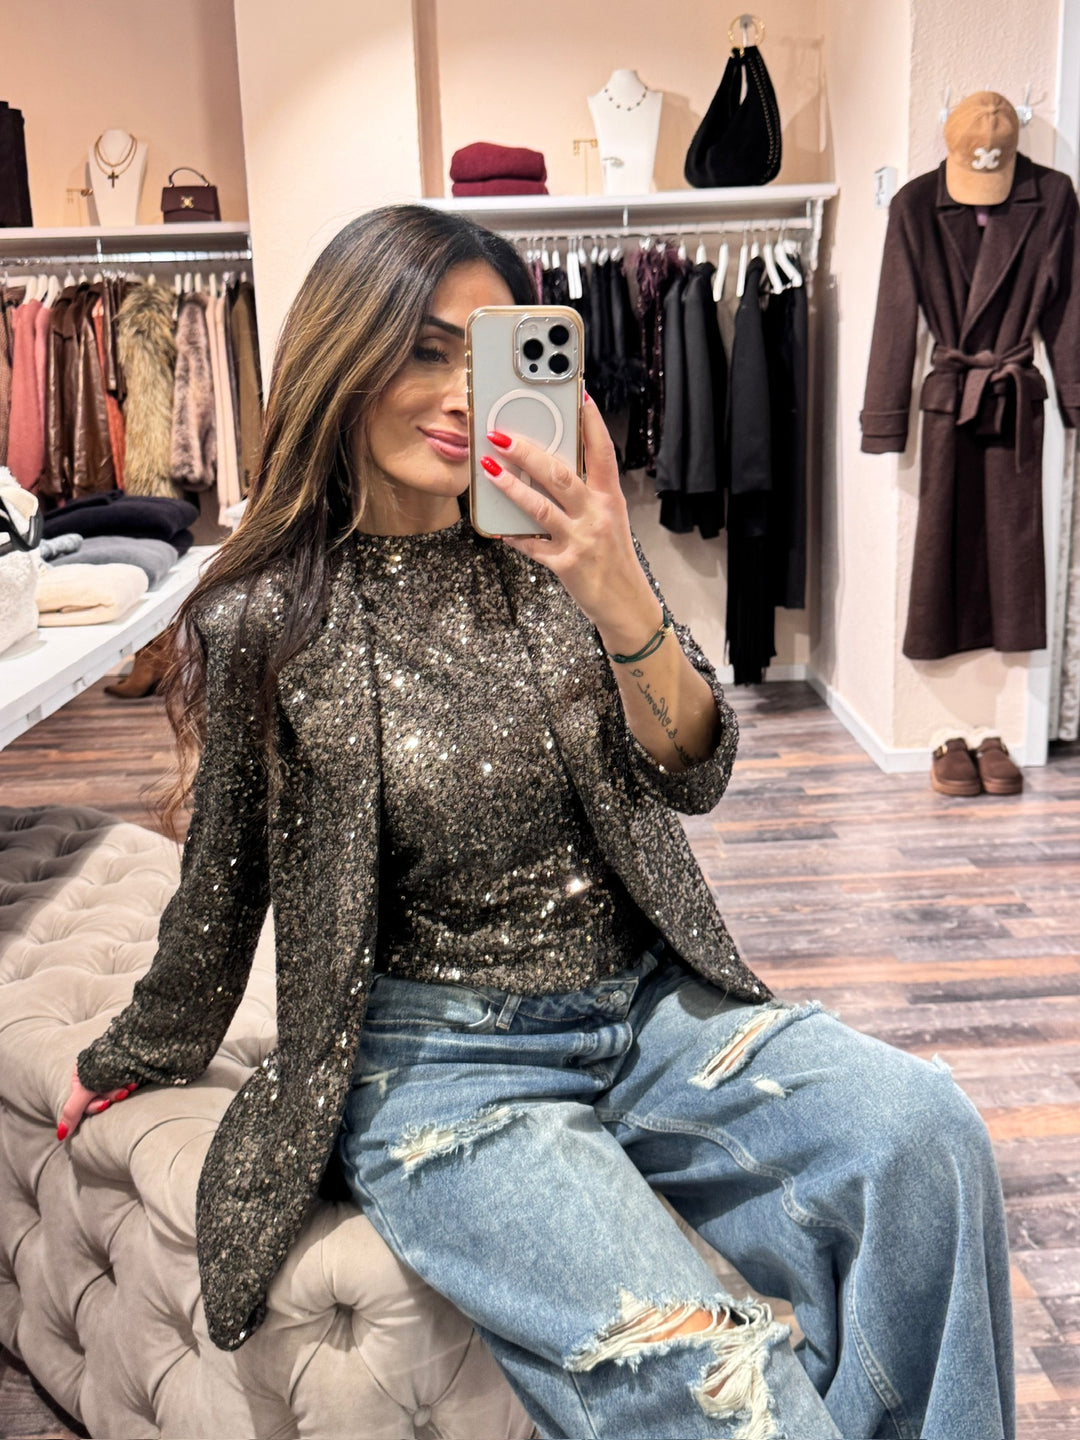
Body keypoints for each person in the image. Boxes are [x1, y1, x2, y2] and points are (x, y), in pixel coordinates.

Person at [59, 205, 1015, 1440]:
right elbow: (223, 880)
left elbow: (696, 773)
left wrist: (617, 588)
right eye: (423, 350)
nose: (463, 394)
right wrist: (134, 1052)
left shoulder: (559, 549)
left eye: (491, 354)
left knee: (928, 1138)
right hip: (442, 1069)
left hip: (647, 1012)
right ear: (344, 353)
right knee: (718, 1374)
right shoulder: (269, 619)